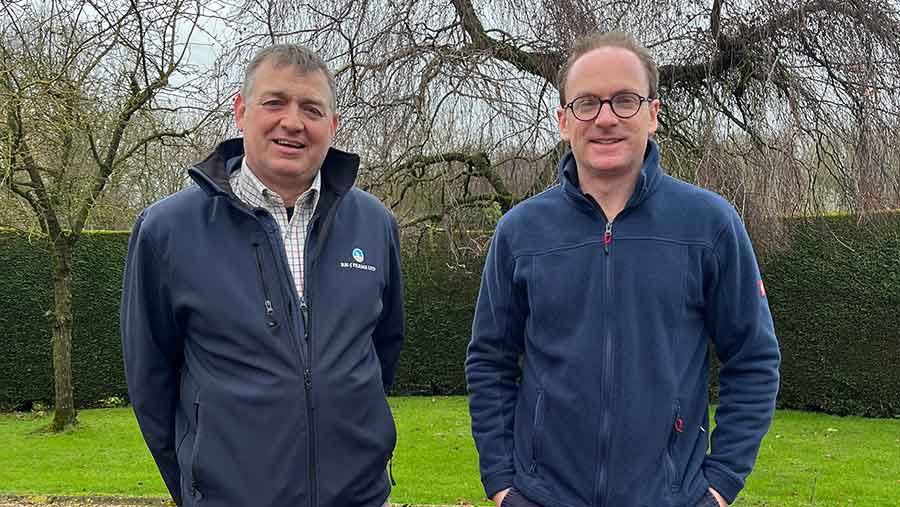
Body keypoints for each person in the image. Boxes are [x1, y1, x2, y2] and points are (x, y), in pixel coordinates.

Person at [465, 31, 780, 507]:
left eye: (625, 100)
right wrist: (503, 483)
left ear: (653, 114)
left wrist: (719, 486)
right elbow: (489, 360)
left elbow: (753, 358)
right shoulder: (520, 232)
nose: (606, 118)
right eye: (587, 103)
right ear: (563, 121)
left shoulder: (709, 224)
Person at [121, 44, 405, 507]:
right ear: (240, 111)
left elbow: (383, 351)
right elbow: (151, 379)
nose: (292, 122)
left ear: (332, 127)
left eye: (311, 109)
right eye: (274, 102)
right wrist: (196, 488)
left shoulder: (375, 224)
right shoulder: (167, 230)